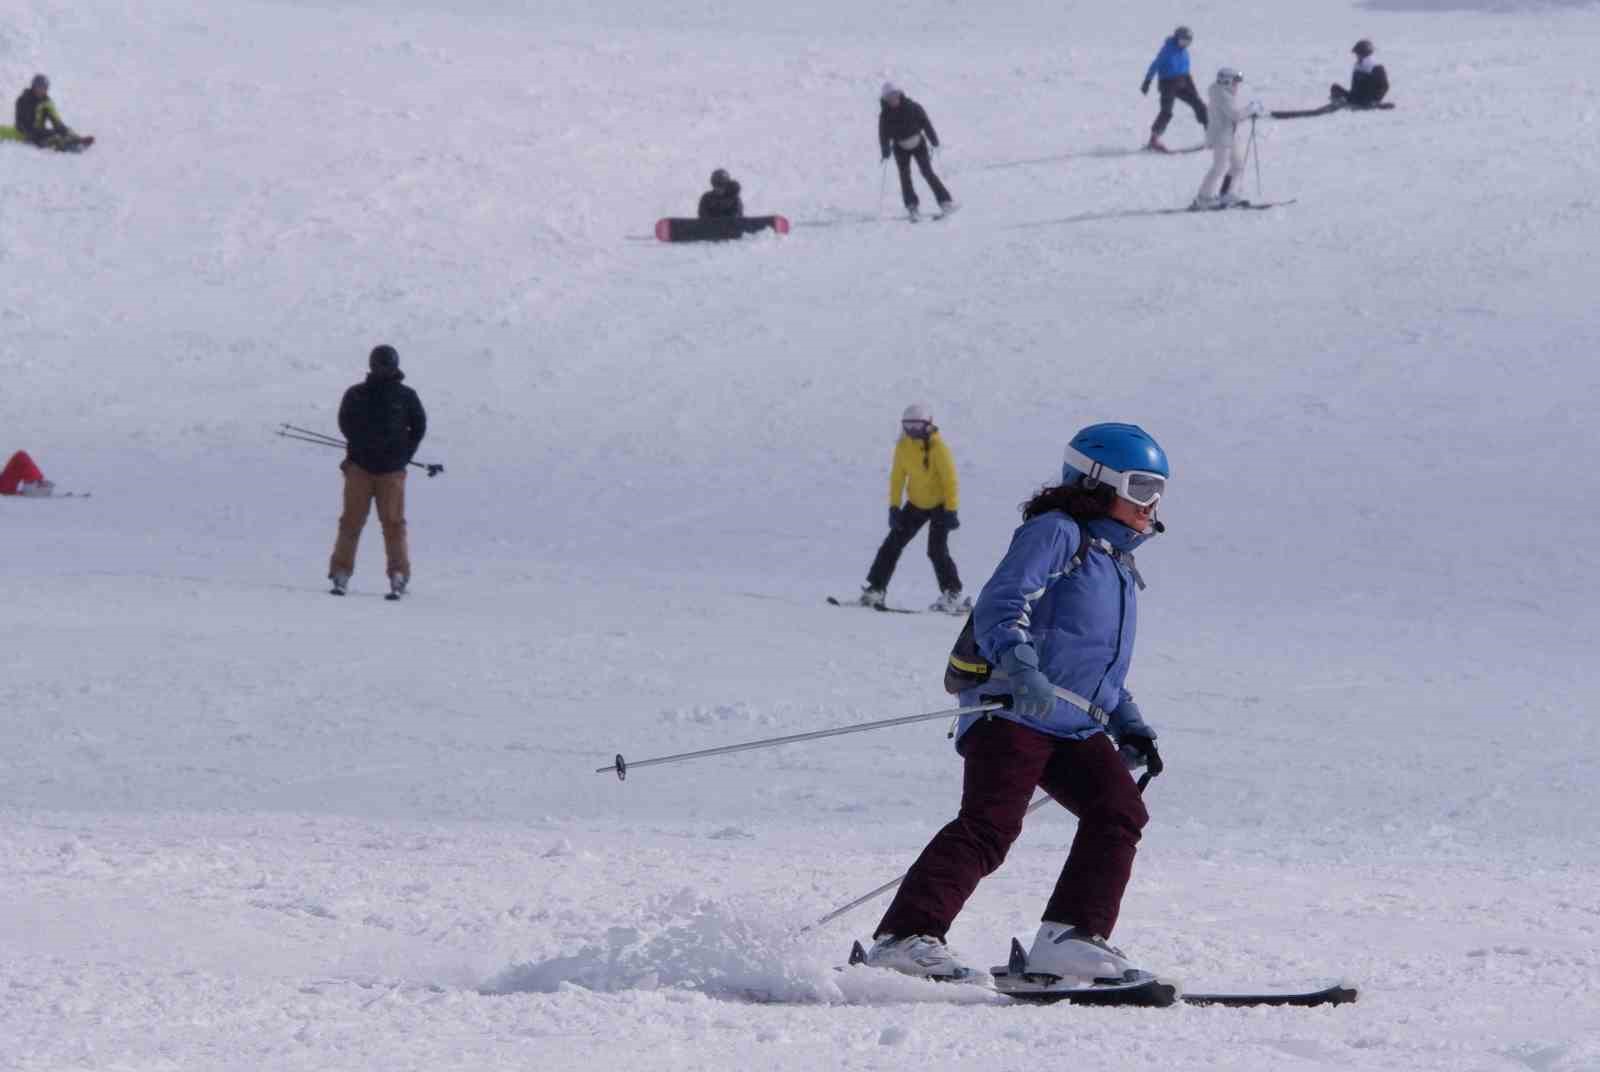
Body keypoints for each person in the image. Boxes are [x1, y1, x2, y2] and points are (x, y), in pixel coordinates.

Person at [862, 423, 1169, 983]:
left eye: (1160, 491)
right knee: (991, 824)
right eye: (1142, 486)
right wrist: (1022, 669)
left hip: (1074, 726)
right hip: (1013, 711)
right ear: (1097, 481)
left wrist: (1130, 723)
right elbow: (1002, 605)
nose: (1152, 503)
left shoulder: (1117, 563)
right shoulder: (1057, 533)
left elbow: (1094, 663)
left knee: (1119, 811)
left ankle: (1069, 940)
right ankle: (903, 939)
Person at [327, 345, 427, 597]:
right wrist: (361, 443)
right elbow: (345, 422)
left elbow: (419, 427)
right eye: (379, 365)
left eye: (386, 365)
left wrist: (404, 455)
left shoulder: (406, 396)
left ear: (394, 367)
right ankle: (341, 572)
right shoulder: (356, 394)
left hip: (392, 472)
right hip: (359, 468)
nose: (382, 369)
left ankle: (399, 574)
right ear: (372, 366)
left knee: (393, 524)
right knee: (351, 522)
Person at [860, 404, 965, 613]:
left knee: (936, 550)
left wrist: (951, 509)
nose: (913, 431)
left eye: (917, 426)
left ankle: (952, 594)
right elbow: (897, 477)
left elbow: (950, 480)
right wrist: (894, 506)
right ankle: (876, 588)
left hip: (940, 505)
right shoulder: (903, 446)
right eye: (908, 426)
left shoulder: (938, 448)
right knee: (892, 545)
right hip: (916, 503)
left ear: (928, 425)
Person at [878, 83, 956, 222]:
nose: (893, 99)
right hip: (900, 147)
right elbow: (883, 134)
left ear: (899, 94)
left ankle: (945, 202)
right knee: (904, 177)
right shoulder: (884, 115)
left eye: (894, 95)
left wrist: (933, 139)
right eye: (889, 97)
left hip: (918, 144)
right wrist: (885, 149)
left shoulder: (912, 107)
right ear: (885, 99)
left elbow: (925, 122)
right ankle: (912, 207)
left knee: (927, 172)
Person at [1192, 67, 1264, 211]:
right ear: (1226, 81)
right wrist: (1251, 109)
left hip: (1230, 135)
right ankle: (1203, 198)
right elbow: (1235, 115)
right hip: (1221, 137)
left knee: (1237, 164)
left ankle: (1226, 193)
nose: (1237, 85)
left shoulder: (1225, 93)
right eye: (1235, 82)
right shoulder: (1221, 95)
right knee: (1219, 167)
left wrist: (1251, 110)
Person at [1142, 25, 1208, 152]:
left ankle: (1212, 134)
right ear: (1176, 38)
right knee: (1166, 111)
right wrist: (1147, 81)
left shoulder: (1184, 52)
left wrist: (1190, 84)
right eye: (1182, 40)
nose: (1185, 44)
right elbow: (1155, 65)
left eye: (1188, 41)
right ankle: (1154, 139)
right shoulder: (1167, 50)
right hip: (1168, 84)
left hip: (1184, 81)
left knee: (1199, 105)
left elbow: (1185, 69)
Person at [11, 75, 84, 151]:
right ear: (33, 87)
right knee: (51, 135)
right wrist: (44, 132)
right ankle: (56, 143)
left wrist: (64, 130)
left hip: (40, 130)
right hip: (25, 131)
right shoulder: (24, 100)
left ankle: (73, 138)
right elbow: (24, 123)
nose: (42, 90)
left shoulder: (46, 101)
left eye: (44, 88)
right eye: (39, 87)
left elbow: (55, 120)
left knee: (59, 131)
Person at [1331, 39, 1390, 108]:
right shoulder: (1358, 66)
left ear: (1364, 54)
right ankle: (1339, 103)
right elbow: (1354, 87)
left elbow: (1384, 86)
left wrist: (1374, 101)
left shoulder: (1376, 67)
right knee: (1335, 87)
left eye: (1358, 54)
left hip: (1367, 101)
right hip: (1355, 98)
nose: (1357, 56)